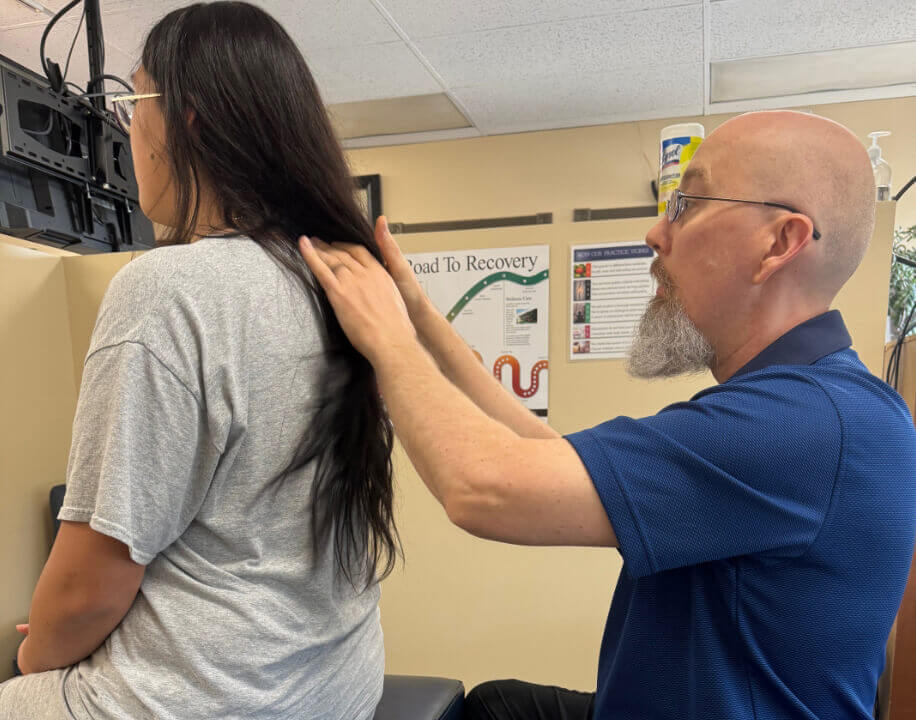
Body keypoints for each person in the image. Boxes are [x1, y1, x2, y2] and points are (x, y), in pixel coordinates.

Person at [299, 110, 916, 719]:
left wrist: (386, 341)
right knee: (494, 708)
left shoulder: (804, 425)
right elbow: (543, 454)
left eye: (687, 204)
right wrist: (419, 318)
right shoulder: (822, 404)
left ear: (779, 242)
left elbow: (480, 489)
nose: (656, 232)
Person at [0, 3, 396, 719]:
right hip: (337, 687)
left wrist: (33, 659)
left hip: (213, 703)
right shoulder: (344, 282)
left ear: (187, 121)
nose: (125, 132)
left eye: (131, 102)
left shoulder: (167, 289)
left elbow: (91, 589)